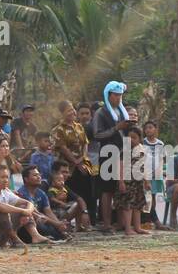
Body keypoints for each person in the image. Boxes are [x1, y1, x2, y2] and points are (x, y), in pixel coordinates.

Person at [91, 80, 136, 232]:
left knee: (123, 189)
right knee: (107, 190)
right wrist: (116, 128)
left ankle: (123, 223)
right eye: (116, 95)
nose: (118, 98)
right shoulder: (101, 113)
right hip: (107, 153)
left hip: (123, 153)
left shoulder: (122, 112)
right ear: (108, 95)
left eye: (120, 96)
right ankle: (106, 223)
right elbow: (97, 134)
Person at [0, 165, 50, 249]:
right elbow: (1, 207)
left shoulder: (5, 191)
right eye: (2, 177)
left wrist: (27, 211)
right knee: (2, 211)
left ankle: (35, 236)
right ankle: (15, 239)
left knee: (23, 207)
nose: (6, 180)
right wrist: (24, 211)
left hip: (1, 236)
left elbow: (28, 202)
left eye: (7, 177)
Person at [52, 100, 96, 225]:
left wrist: (83, 158)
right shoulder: (58, 129)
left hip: (84, 163)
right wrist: (76, 163)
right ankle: (70, 222)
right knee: (72, 192)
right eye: (68, 110)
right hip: (68, 166)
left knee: (89, 191)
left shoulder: (79, 126)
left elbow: (85, 144)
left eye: (72, 109)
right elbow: (63, 148)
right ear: (62, 113)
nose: (72, 112)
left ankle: (88, 221)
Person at [113, 126, 152, 237]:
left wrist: (147, 181)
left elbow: (144, 167)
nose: (131, 140)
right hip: (127, 181)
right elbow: (120, 167)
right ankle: (127, 228)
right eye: (129, 138)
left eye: (134, 137)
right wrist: (121, 182)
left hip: (138, 182)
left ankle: (138, 227)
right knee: (128, 205)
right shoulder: (124, 150)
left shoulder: (142, 150)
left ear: (140, 138)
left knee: (138, 205)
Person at [16, 165, 69, 240]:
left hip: (42, 219)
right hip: (29, 223)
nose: (39, 177)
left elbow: (49, 212)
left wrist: (59, 224)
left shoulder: (41, 193)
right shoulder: (22, 193)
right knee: (41, 224)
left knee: (51, 225)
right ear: (26, 179)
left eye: (39, 175)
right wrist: (57, 224)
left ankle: (56, 234)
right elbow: (36, 214)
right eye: (35, 175)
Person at [47, 165, 90, 231]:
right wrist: (60, 202)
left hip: (64, 211)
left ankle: (78, 226)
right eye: (63, 172)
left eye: (67, 172)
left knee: (77, 204)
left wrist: (84, 212)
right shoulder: (51, 188)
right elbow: (51, 199)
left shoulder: (64, 187)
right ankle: (61, 225)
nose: (62, 182)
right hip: (54, 212)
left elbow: (79, 198)